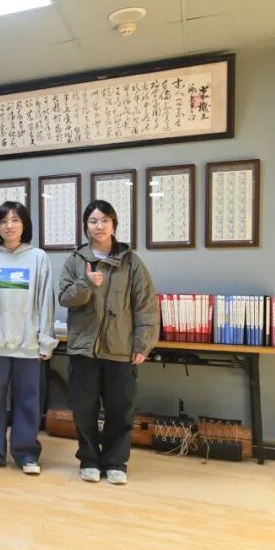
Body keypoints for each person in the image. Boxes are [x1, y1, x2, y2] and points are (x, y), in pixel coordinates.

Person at [59, 199, 158, 486]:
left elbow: (146, 306)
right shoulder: (76, 260)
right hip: (84, 348)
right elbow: (65, 298)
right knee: (84, 410)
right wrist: (87, 283)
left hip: (120, 349)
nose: (99, 226)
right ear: (86, 226)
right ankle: (89, 460)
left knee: (120, 409)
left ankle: (116, 462)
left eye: (104, 220)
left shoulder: (131, 261)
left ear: (114, 224)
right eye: (93, 221)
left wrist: (142, 343)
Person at [0, 201, 58, 475]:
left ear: (24, 225)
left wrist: (46, 341)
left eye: (15, 220)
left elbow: (46, 302)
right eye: (3, 221)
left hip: (28, 344)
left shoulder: (38, 258)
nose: (9, 226)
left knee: (28, 401)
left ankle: (26, 453)